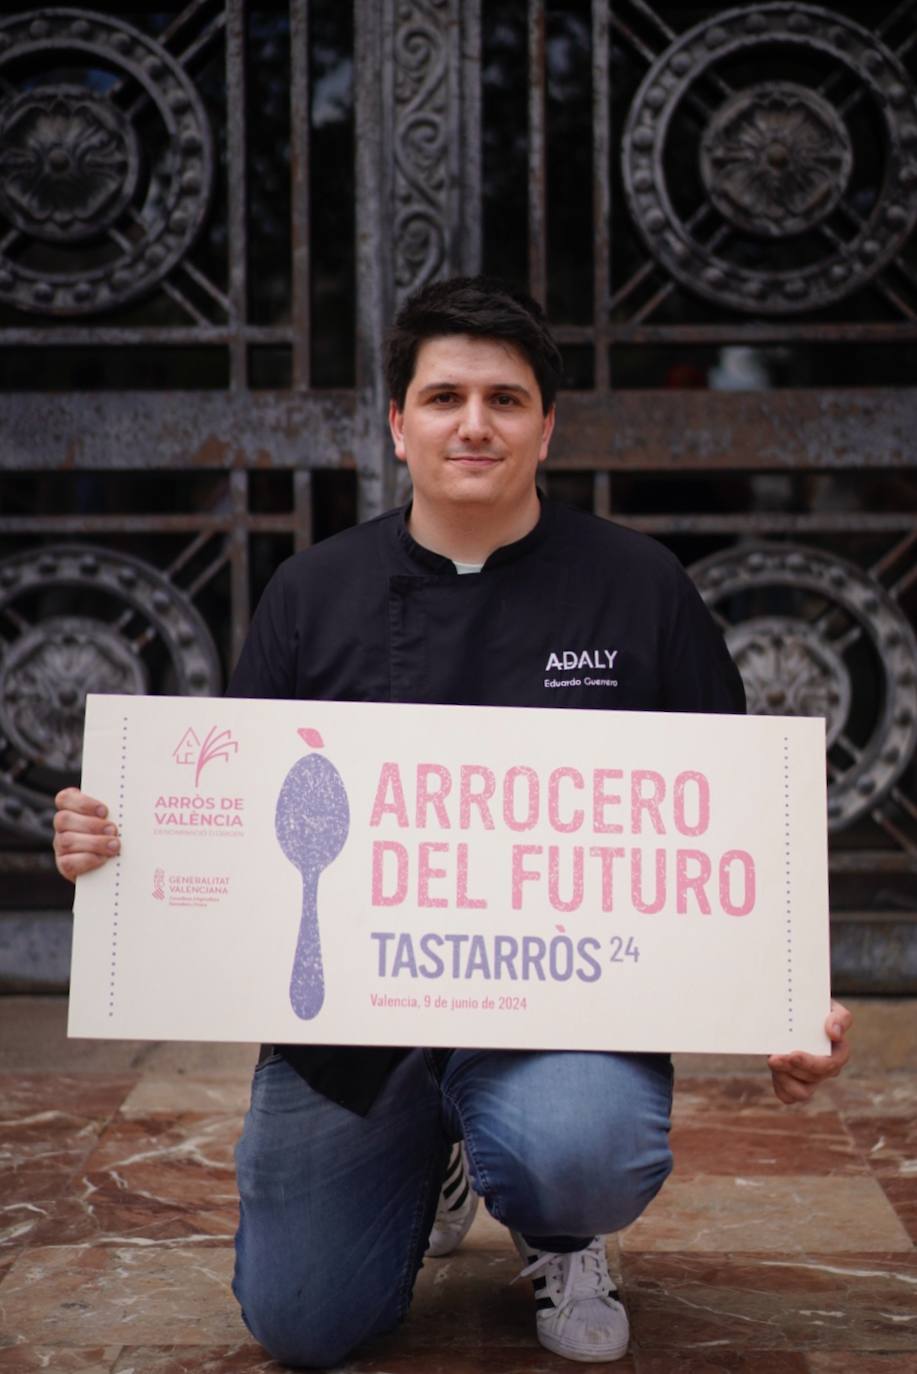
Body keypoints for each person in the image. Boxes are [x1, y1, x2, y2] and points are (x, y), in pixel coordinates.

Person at [54, 276, 853, 1367]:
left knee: (582, 1149)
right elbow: (229, 818)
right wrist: (116, 839)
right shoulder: (312, 593)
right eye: (441, 397)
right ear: (396, 422)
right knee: (302, 1325)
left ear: (545, 425)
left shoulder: (639, 587)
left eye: (504, 399)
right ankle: (436, 1155)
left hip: (562, 1017)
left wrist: (789, 994)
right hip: (347, 1038)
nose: (472, 424)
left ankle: (556, 1224)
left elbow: (732, 824)